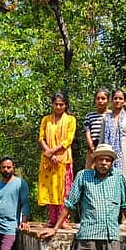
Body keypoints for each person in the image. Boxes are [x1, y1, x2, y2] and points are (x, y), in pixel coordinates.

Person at [38, 92, 77, 227]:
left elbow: (68, 140)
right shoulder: (46, 120)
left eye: (61, 104)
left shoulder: (71, 120)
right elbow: (41, 138)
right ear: (52, 104)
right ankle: (53, 220)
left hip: (63, 159)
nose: (59, 107)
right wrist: (49, 154)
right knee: (50, 189)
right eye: (56, 104)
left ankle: (63, 220)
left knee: (64, 190)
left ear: (65, 105)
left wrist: (52, 152)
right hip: (49, 160)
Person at [100, 89, 126, 205]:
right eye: (115, 98)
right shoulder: (105, 118)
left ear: (124, 101)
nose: (118, 100)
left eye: (120, 98)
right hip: (107, 154)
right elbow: (101, 139)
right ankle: (111, 215)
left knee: (125, 181)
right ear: (112, 100)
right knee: (107, 181)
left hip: (125, 154)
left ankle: (125, 218)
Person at [83, 89, 110, 169]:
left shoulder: (111, 115)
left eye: (103, 98)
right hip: (93, 147)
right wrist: (92, 148)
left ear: (108, 100)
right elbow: (87, 132)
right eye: (98, 98)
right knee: (88, 170)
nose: (100, 101)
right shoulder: (89, 116)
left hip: (108, 147)